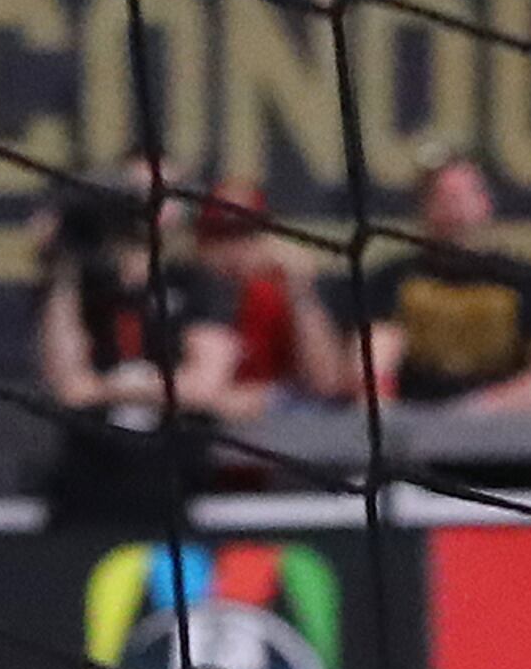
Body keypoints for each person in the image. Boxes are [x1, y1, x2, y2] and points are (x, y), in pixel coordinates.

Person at [33, 174, 238, 527]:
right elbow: (66, 384)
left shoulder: (196, 282)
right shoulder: (85, 284)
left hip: (175, 474)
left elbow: (203, 387)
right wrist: (63, 267)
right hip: (90, 474)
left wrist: (106, 388)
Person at [348, 155, 531, 412]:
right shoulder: (390, 279)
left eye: (463, 195)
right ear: (423, 207)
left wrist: (476, 410)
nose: (454, 207)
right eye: (441, 197)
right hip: (411, 422)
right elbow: (368, 362)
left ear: (486, 202)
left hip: (504, 424)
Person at [193, 182, 345, 414]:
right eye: (221, 236)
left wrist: (300, 290)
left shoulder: (280, 290)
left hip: (278, 426)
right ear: (200, 241)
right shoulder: (184, 291)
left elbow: (326, 383)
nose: (234, 250)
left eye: (245, 234)